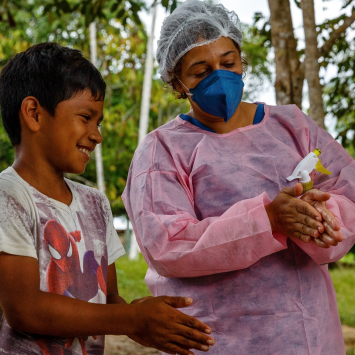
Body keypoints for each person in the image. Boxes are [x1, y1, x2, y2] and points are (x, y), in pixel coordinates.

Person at [122, 1, 355, 354]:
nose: (220, 77)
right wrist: (269, 220)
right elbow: (167, 244)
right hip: (219, 337)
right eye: (200, 72)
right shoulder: (162, 151)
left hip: (308, 333)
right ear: (176, 82)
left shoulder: (292, 126)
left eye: (228, 63)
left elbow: (346, 190)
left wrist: (318, 218)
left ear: (241, 61)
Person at [0, 42, 215, 355]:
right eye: (85, 117)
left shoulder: (95, 204)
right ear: (34, 113)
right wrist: (129, 319)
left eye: (98, 122)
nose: (97, 134)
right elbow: (24, 308)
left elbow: (109, 298)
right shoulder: (9, 195)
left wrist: (145, 321)